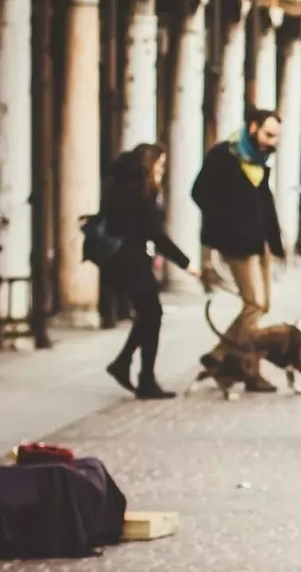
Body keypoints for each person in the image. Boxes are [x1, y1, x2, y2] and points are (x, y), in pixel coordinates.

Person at [191, 108, 284, 390]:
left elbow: (265, 202)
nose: (272, 142)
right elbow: (200, 193)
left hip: (259, 243)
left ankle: (222, 355)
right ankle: (242, 367)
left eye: (276, 136)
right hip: (236, 244)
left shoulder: (259, 161)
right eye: (268, 134)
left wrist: (276, 242)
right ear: (253, 128)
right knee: (254, 304)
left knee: (261, 305)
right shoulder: (224, 155)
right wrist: (228, 225)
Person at [103, 144, 200, 399]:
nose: (162, 170)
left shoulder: (120, 187)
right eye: (160, 165)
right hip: (133, 262)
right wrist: (186, 262)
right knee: (152, 314)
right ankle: (143, 378)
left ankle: (126, 365)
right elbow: (155, 234)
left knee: (149, 315)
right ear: (149, 164)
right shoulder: (141, 192)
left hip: (126, 261)